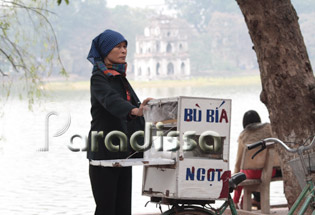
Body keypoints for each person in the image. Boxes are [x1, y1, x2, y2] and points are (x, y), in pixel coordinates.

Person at [86, 29, 152, 215]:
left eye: (125, 47)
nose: (124, 51)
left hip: (123, 152)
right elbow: (111, 101)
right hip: (104, 154)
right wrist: (134, 110)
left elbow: (136, 106)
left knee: (123, 209)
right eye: (118, 47)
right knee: (106, 209)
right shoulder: (99, 77)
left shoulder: (120, 78)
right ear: (106, 50)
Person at [233, 110, 281, 209]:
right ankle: (254, 201)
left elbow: (238, 163)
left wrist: (234, 175)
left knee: (240, 174)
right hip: (270, 171)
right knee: (244, 173)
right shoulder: (269, 129)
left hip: (252, 173)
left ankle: (235, 202)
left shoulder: (244, 136)